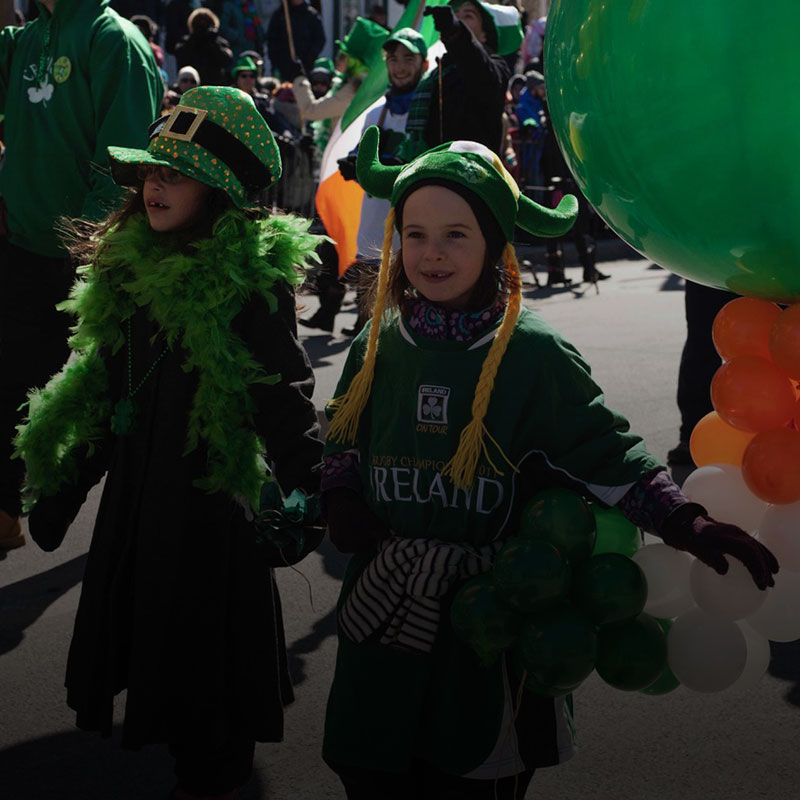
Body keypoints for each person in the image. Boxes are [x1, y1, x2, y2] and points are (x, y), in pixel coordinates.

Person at [319, 126, 778, 798]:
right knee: (374, 768)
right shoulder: (378, 341)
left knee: (467, 775)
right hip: (384, 610)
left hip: (489, 623)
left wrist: (687, 523)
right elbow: (342, 430)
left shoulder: (532, 354)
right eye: (414, 234)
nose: (431, 253)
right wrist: (339, 495)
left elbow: (607, 451)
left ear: (494, 244)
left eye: (456, 235)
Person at [13, 86, 325, 800]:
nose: (155, 184)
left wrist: (316, 483)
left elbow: (284, 394)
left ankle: (214, 771)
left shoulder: (247, 285)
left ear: (217, 192)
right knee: (157, 657)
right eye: (151, 170)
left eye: (176, 173)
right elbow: (106, 397)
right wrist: (64, 485)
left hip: (210, 516)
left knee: (209, 687)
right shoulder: (131, 273)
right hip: (139, 508)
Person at [0, 0, 163, 551]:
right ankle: (11, 509)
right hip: (21, 247)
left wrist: (89, 248)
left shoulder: (112, 39)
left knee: (111, 399)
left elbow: (125, 160)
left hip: (85, 255)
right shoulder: (25, 39)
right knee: (14, 386)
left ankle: (143, 535)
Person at [301, 27, 429, 336]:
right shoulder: (377, 114)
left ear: (424, 65)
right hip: (374, 224)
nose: (399, 66)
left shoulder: (429, 110)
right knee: (372, 321)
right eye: (393, 58)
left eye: (408, 59)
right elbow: (363, 156)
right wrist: (354, 165)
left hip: (414, 227)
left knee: (412, 317)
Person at [398, 0, 522, 162]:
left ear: (485, 34)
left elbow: (479, 69)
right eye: (455, 14)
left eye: (468, 15)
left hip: (470, 176)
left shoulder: (495, 68)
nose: (458, 18)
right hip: (429, 172)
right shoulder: (436, 74)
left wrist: (455, 31)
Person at [265, 0, 324, 79]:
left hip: (306, 68)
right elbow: (271, 41)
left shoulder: (312, 15)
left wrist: (308, 58)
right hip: (284, 68)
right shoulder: (280, 15)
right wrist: (276, 62)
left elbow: (320, 39)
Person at [175, 7, 233, 86]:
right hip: (193, 85)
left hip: (214, 85)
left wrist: (213, 43)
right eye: (198, 24)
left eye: (206, 23)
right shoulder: (187, 42)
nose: (202, 26)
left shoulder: (218, 42)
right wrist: (194, 39)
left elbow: (227, 59)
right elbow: (180, 56)